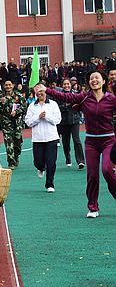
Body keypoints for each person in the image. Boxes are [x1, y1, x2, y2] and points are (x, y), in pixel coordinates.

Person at [37, 70, 116, 218]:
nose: (94, 80)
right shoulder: (84, 97)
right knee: (92, 175)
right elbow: (66, 96)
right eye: (91, 78)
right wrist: (46, 89)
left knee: (107, 170)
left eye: (97, 78)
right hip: (91, 141)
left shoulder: (112, 99)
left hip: (109, 140)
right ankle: (93, 207)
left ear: (103, 81)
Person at [25, 84, 61, 193]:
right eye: (38, 92)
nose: (40, 93)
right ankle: (40, 168)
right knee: (38, 161)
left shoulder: (53, 104)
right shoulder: (32, 106)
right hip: (38, 139)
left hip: (51, 137)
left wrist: (47, 117)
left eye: (42, 91)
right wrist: (38, 117)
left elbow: (58, 119)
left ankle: (50, 184)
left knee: (51, 162)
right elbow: (28, 122)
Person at [0, 80, 27, 169]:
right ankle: (11, 162)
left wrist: (17, 111)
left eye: (9, 85)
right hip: (6, 124)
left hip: (17, 124)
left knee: (18, 143)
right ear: (4, 86)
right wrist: (1, 103)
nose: (8, 86)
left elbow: (24, 107)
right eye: (6, 85)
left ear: (12, 85)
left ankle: (16, 156)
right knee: (9, 143)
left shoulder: (18, 96)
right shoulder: (0, 97)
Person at [54, 79, 86, 168]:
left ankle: (81, 161)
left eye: (68, 84)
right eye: (64, 84)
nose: (66, 85)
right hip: (63, 122)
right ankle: (68, 159)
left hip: (74, 120)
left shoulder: (75, 94)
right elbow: (57, 108)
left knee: (77, 140)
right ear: (62, 85)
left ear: (70, 85)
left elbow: (80, 105)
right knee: (66, 142)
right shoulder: (59, 96)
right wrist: (65, 106)